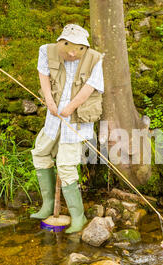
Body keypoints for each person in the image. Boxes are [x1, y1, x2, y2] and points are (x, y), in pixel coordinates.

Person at [30, 24, 104, 233]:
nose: (72, 53)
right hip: (53, 116)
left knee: (66, 165)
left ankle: (77, 216)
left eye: (78, 48)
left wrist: (69, 108)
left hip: (77, 118)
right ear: (61, 42)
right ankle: (47, 206)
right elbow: (43, 76)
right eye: (68, 47)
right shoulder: (46, 51)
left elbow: (90, 87)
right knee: (40, 153)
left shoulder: (95, 59)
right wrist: (50, 102)